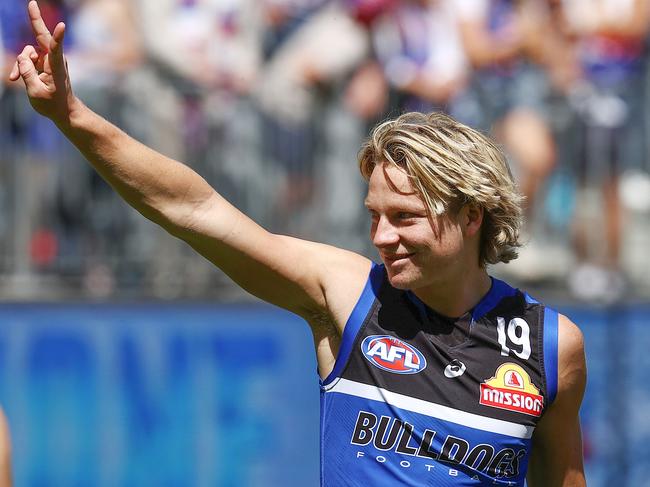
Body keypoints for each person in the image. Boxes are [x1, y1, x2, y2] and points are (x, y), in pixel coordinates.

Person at [9, 1, 586, 485]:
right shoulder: (347, 296)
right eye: (375, 215)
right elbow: (194, 208)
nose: (381, 237)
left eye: (405, 218)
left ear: (470, 216)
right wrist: (73, 117)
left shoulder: (552, 347)